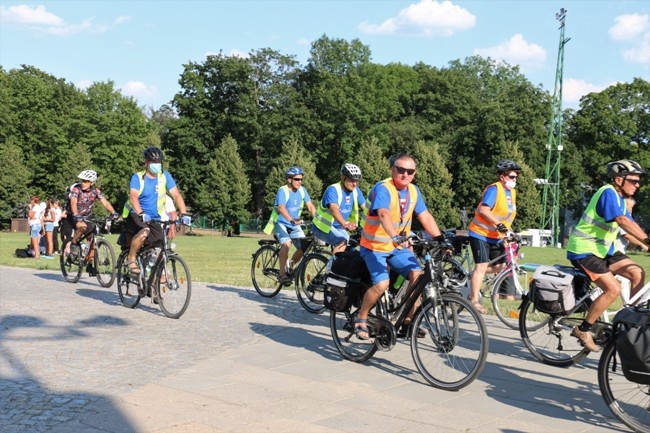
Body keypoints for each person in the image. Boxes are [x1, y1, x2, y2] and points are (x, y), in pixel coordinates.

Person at [354, 154, 445, 340]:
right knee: (382, 284)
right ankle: (361, 317)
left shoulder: (413, 191)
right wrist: (394, 236)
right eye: (400, 170)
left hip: (396, 246)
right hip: (374, 246)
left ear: (414, 173)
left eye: (409, 171)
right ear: (392, 170)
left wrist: (441, 239)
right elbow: (383, 214)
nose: (405, 174)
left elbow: (425, 216)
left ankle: (407, 321)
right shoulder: (383, 189)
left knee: (418, 276)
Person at [567, 159, 649, 352]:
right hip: (584, 250)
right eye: (633, 181)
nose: (637, 185)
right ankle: (583, 329)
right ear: (619, 179)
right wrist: (647, 240)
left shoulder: (621, 200)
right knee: (613, 289)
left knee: (637, 273)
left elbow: (630, 228)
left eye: (639, 181)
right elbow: (621, 221)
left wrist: (646, 243)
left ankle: (629, 319)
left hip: (603, 251)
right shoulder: (607, 193)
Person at [123, 147, 190, 278]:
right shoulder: (137, 177)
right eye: (153, 162)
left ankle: (153, 283)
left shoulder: (165, 176)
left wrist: (184, 214)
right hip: (136, 214)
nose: (156, 165)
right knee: (144, 232)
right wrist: (141, 213)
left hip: (154, 217)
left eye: (159, 162)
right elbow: (133, 197)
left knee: (160, 244)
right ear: (146, 163)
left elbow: (176, 195)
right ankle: (131, 258)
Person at [467, 160, 521, 314]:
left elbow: (507, 216)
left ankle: (474, 276)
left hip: (496, 236)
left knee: (501, 266)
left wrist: (508, 233)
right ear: (502, 177)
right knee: (482, 266)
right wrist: (498, 225)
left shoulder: (512, 193)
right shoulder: (494, 189)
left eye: (516, 177)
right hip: (480, 233)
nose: (514, 180)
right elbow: (484, 210)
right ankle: (474, 301)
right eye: (511, 176)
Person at [263, 166, 316, 285]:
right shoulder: (283, 190)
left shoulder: (302, 190)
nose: (300, 182)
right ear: (289, 179)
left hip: (294, 225)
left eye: (301, 179)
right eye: (297, 179)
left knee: (305, 246)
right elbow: (281, 207)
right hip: (281, 223)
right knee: (287, 244)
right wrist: (291, 219)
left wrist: (318, 220)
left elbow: (310, 206)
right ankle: (282, 274)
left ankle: (290, 266)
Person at [62, 170, 119, 260]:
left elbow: (105, 203)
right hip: (73, 216)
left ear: (92, 182)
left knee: (92, 238)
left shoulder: (96, 191)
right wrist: (76, 214)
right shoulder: (77, 189)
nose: (83, 183)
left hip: (87, 217)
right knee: (82, 226)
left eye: (85, 181)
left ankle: (90, 263)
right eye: (82, 181)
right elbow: (73, 202)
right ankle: (74, 243)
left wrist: (113, 212)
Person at [312, 163, 366, 254]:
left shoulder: (356, 191)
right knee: (342, 242)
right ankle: (331, 267)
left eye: (357, 181)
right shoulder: (333, 190)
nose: (354, 184)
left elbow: (366, 208)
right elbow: (334, 210)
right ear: (343, 178)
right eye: (351, 180)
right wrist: (346, 223)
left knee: (352, 247)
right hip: (322, 227)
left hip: (339, 228)